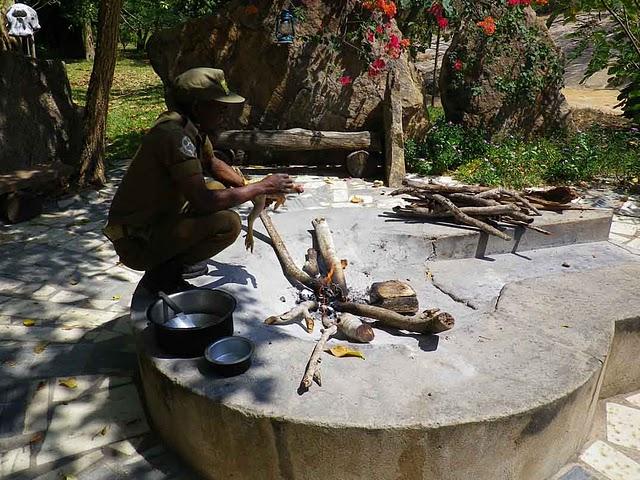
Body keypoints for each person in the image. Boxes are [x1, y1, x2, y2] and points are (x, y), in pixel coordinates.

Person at [103, 67, 294, 293]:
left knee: (215, 185)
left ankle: (171, 259)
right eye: (219, 105)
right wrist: (261, 187)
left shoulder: (188, 127)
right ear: (197, 106)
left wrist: (252, 189)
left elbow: (213, 164)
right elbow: (205, 201)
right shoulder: (175, 136)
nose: (225, 111)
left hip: (153, 223)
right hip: (136, 242)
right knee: (228, 223)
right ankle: (165, 273)